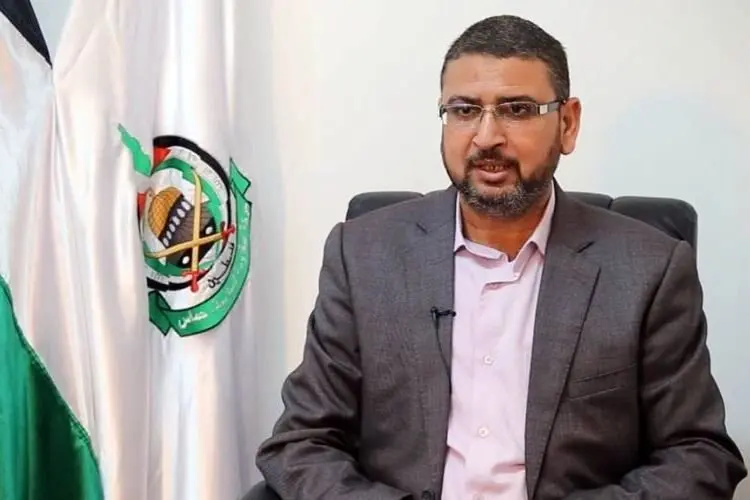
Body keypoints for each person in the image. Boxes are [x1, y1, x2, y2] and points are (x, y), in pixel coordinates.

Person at [255, 14, 746, 499]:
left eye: (517, 109)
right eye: (464, 110)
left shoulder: (648, 269)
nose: (486, 136)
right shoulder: (364, 254)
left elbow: (699, 455)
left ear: (568, 123)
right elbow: (302, 443)